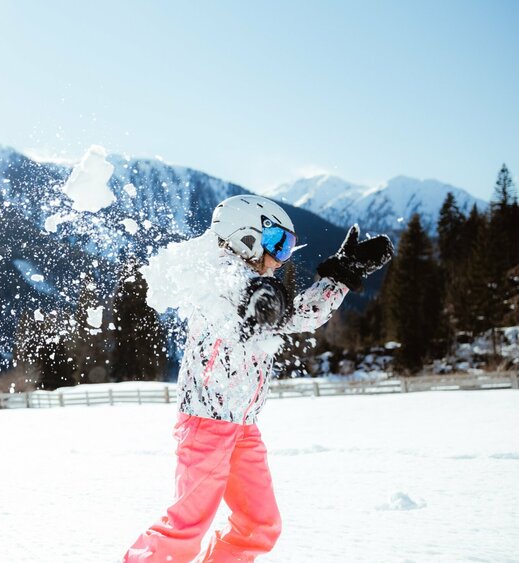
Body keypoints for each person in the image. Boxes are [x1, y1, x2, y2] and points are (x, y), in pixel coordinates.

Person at [124, 195, 393, 562]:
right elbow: (245, 293)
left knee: (260, 525)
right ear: (245, 236)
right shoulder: (218, 273)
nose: (282, 257)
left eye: (289, 247)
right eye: (278, 244)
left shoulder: (259, 288)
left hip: (243, 427)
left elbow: (298, 315)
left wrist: (341, 276)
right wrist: (263, 296)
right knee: (185, 530)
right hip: (207, 424)